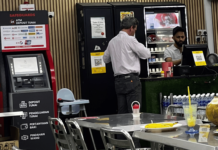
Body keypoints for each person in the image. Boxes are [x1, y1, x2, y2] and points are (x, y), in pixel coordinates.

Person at [103, 17, 150, 149]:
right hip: (132, 80)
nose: (135, 31)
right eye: (135, 29)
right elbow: (146, 54)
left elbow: (105, 59)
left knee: (122, 115)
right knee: (134, 115)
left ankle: (121, 145)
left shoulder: (112, 41)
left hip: (118, 81)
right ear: (132, 28)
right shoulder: (130, 39)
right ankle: (134, 146)